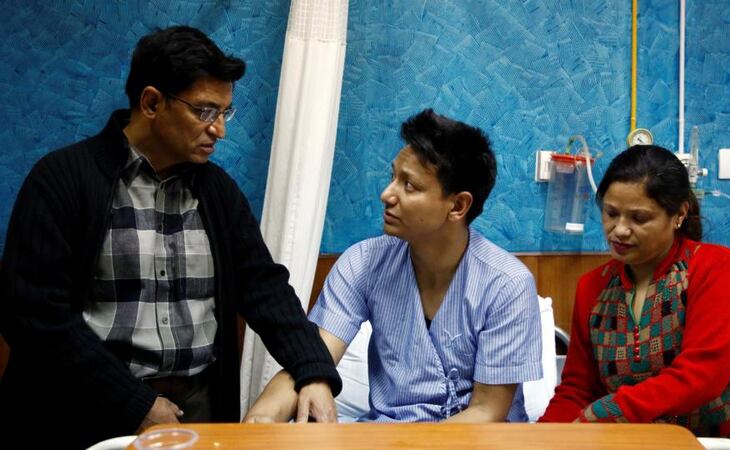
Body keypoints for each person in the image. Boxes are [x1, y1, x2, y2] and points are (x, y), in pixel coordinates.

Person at [0, 26, 340, 449]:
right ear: (152, 102)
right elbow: (33, 315)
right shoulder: (63, 179)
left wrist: (313, 369)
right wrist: (134, 402)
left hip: (197, 408)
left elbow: (264, 288)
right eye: (205, 111)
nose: (220, 130)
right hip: (82, 408)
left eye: (224, 113)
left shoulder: (217, 192)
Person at [244, 109, 542, 423]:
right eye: (393, 177)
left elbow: (487, 411)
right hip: (388, 435)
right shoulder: (363, 263)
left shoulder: (507, 284)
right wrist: (262, 419)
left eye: (409, 186)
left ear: (458, 205)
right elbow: (313, 356)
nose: (386, 194)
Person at [539, 145, 730, 447]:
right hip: (655, 444)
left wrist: (604, 411)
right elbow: (577, 389)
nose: (619, 230)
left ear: (679, 215)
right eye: (611, 213)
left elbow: (702, 375)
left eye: (639, 218)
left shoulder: (716, 270)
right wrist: (542, 437)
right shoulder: (593, 288)